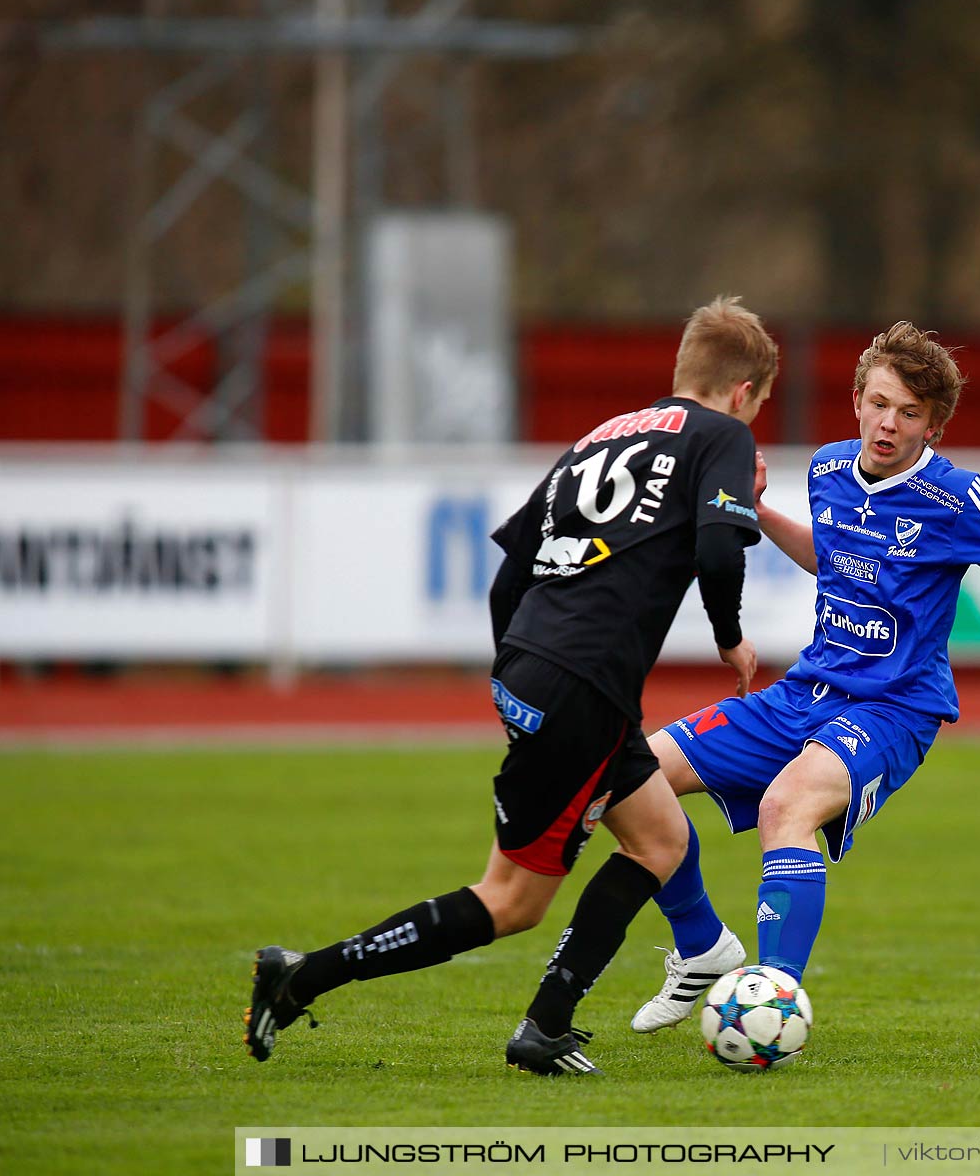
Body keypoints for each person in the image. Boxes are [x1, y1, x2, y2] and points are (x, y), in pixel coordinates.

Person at [243, 296, 779, 1075]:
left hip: (544, 666)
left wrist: (521, 673)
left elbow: (509, 576)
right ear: (743, 393)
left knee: (662, 839)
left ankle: (549, 1021)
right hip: (583, 686)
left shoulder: (603, 435)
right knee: (510, 900)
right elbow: (722, 551)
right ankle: (303, 977)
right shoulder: (724, 435)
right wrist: (730, 637)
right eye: (757, 403)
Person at [623, 320, 980, 1032]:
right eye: (877, 403)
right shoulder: (830, 469)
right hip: (806, 692)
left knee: (787, 808)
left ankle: (770, 1006)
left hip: (894, 710)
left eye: (908, 413)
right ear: (857, 402)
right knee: (629, 776)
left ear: (933, 426)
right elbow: (828, 556)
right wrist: (759, 511)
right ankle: (701, 950)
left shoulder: (957, 498)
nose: (887, 423)